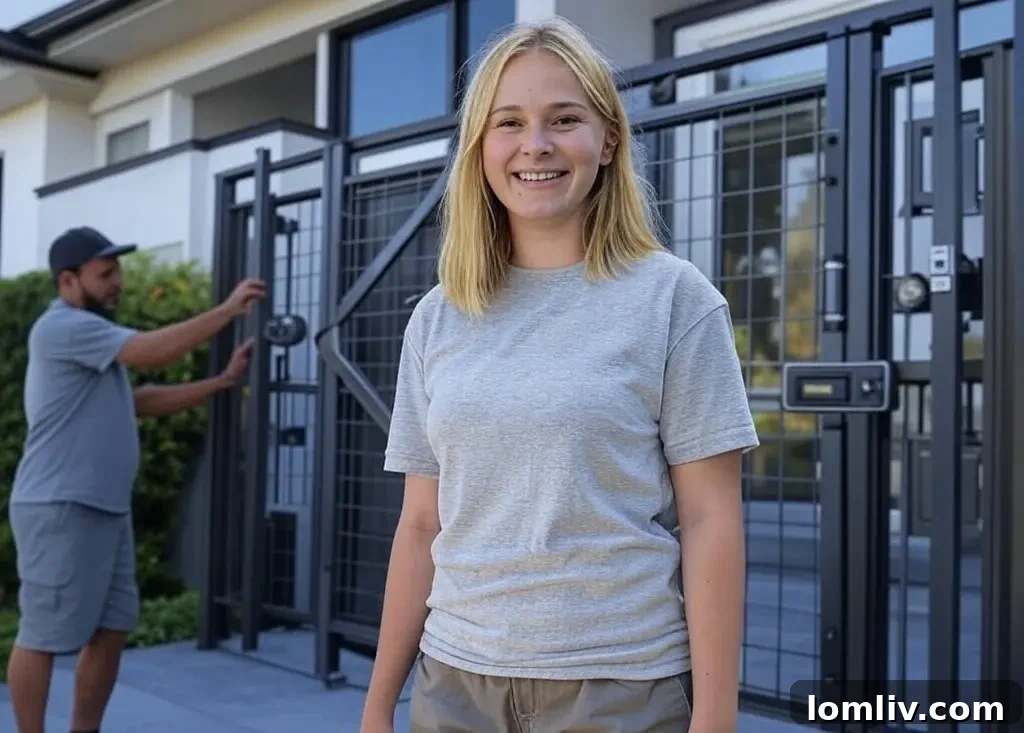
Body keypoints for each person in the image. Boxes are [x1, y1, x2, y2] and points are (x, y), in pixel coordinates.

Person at [360, 16, 759, 733]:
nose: (535, 145)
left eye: (564, 119)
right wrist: (376, 705)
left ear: (608, 140)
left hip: (620, 688)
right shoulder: (438, 316)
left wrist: (717, 716)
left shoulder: (676, 300)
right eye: (508, 122)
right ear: (480, 147)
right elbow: (421, 524)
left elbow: (710, 519)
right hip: (452, 684)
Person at [5, 226, 265, 733]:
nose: (117, 282)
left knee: (112, 628)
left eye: (117, 272)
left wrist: (222, 382)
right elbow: (150, 350)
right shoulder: (62, 327)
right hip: (60, 507)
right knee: (41, 636)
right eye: (105, 274)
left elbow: (139, 400)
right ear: (68, 281)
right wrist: (228, 311)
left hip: (104, 509)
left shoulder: (93, 340)